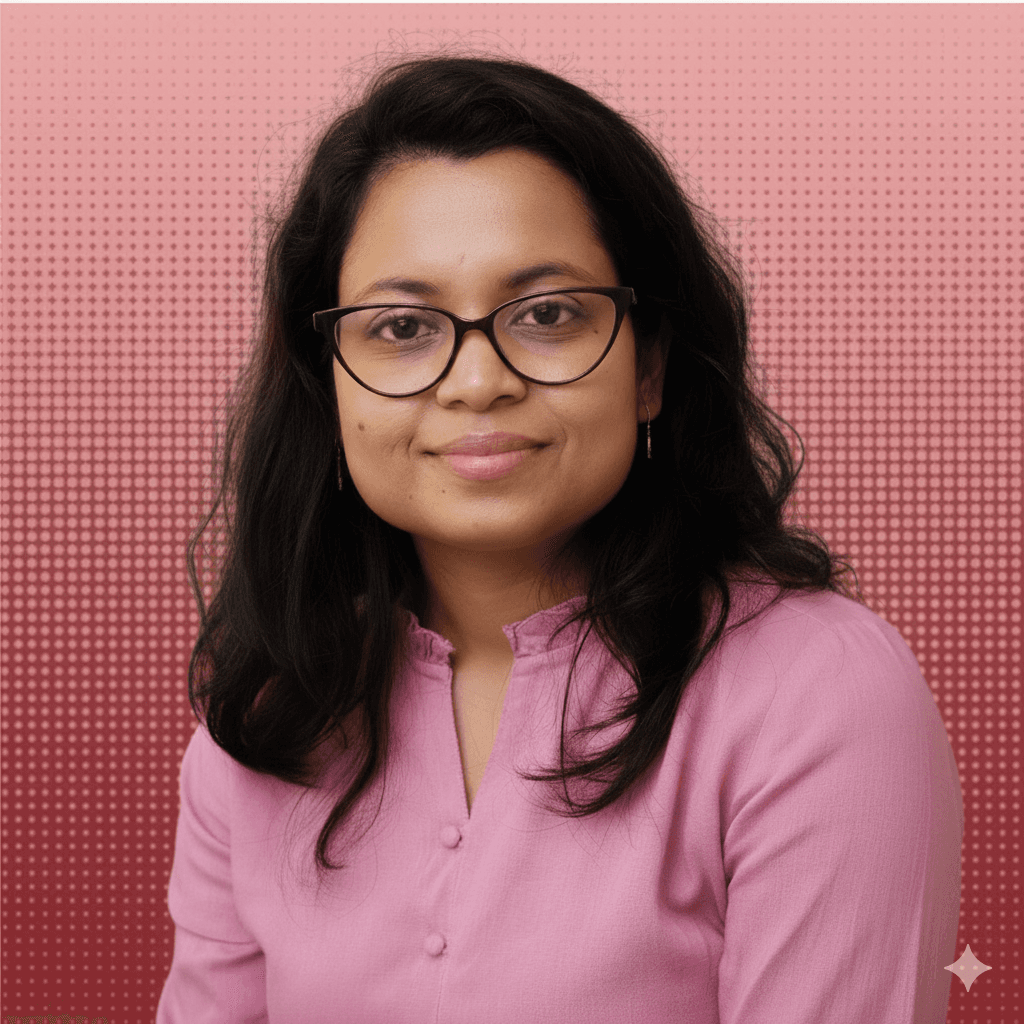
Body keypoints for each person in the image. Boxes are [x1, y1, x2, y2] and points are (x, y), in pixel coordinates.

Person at [156, 54, 963, 1024]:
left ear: (648, 365)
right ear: (328, 388)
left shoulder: (815, 692)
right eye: (402, 327)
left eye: (546, 314)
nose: (477, 382)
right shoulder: (269, 717)